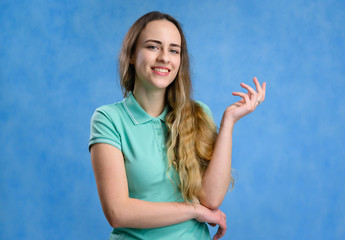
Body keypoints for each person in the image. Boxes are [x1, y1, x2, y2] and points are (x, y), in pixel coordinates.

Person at [89, 11, 266, 240]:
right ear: (132, 54)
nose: (164, 57)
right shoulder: (109, 119)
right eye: (153, 47)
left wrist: (228, 123)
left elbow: (210, 200)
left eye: (174, 50)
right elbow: (117, 212)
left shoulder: (198, 113)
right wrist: (194, 211)